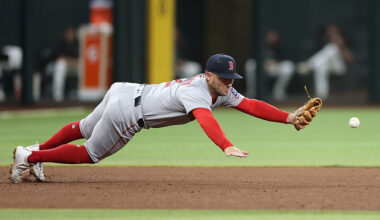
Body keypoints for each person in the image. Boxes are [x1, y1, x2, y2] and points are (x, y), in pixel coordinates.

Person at [10, 54, 301, 184]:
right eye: (224, 78)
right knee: (90, 153)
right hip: (129, 112)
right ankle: (30, 157)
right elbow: (205, 119)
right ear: (209, 75)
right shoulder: (199, 92)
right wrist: (225, 145)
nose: (229, 83)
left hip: (125, 91)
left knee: (82, 128)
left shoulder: (220, 89)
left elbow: (251, 105)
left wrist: (289, 117)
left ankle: (36, 152)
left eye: (231, 78)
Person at [297, 24, 354, 99]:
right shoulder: (324, 41)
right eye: (330, 30)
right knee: (321, 67)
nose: (331, 32)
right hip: (328, 66)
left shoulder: (344, 40)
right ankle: (322, 94)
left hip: (340, 67)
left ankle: (309, 65)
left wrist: (341, 47)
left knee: (332, 49)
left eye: (333, 30)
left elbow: (350, 58)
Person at [245, 29, 295, 101]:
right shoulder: (261, 46)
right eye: (270, 36)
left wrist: (275, 62)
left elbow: (285, 59)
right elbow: (255, 57)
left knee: (288, 67)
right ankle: (253, 91)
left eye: (273, 36)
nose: (272, 38)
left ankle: (278, 91)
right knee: (250, 64)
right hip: (262, 66)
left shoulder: (280, 46)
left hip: (275, 67)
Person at [43, 26, 79, 102]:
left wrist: (69, 60)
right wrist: (69, 60)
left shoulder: (77, 44)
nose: (69, 36)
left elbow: (79, 60)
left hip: (72, 67)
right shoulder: (60, 44)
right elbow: (59, 58)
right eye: (68, 34)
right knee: (60, 65)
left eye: (71, 34)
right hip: (54, 67)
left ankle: (81, 94)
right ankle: (58, 96)